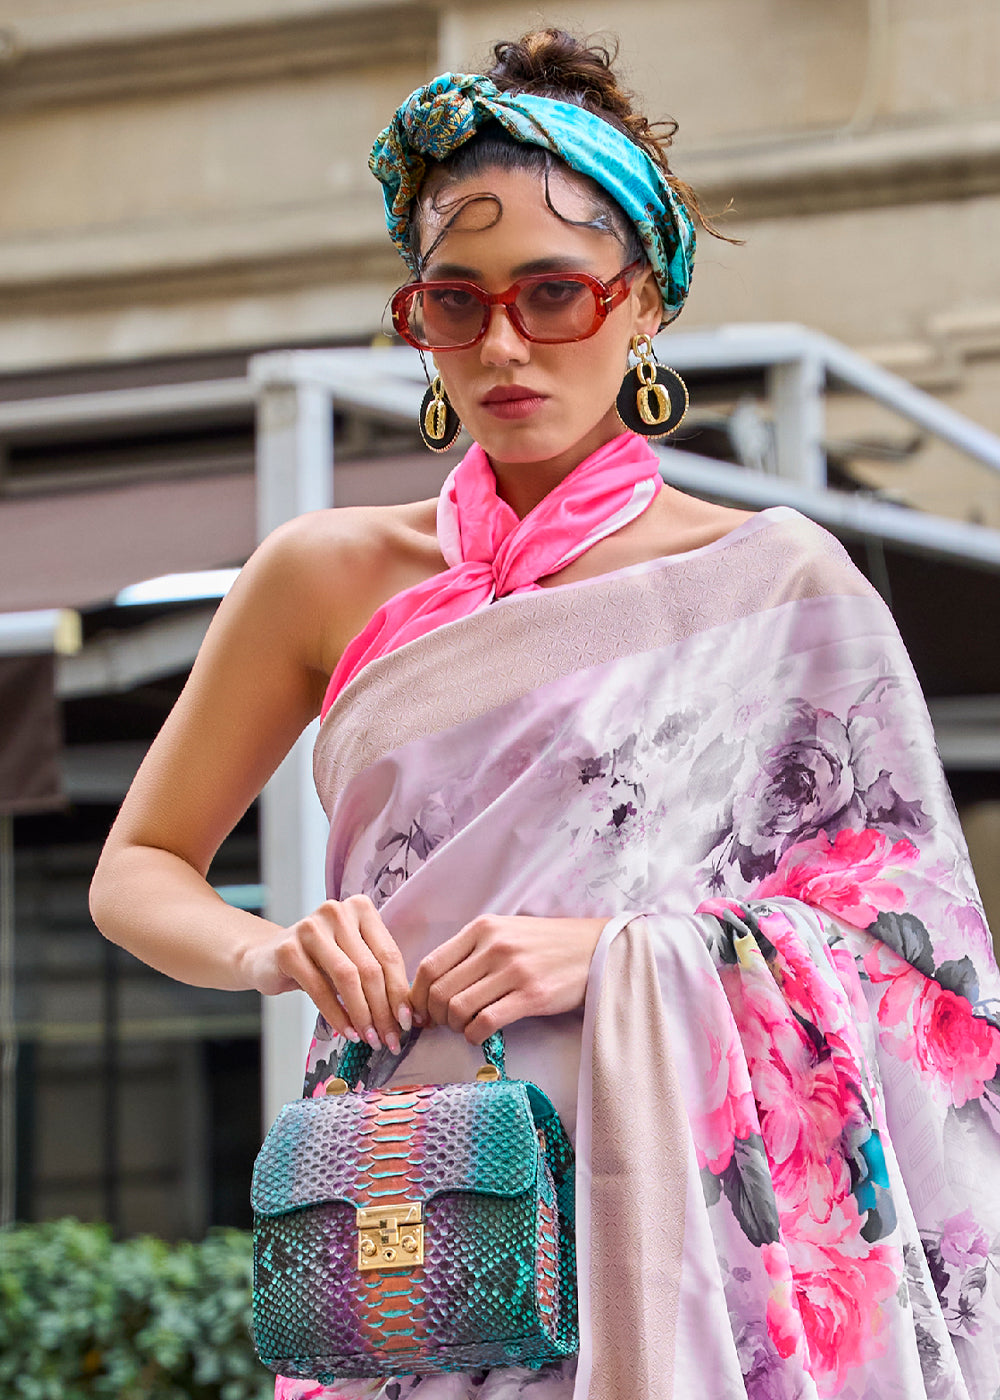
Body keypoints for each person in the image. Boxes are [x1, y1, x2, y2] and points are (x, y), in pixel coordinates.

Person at [89, 28, 1000, 1400]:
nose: (504, 345)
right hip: (411, 1213)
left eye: (555, 294)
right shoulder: (320, 575)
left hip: (689, 1237)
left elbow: (919, 964)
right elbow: (138, 869)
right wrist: (276, 950)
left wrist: (619, 959)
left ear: (644, 306)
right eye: (455, 304)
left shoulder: (775, 585)